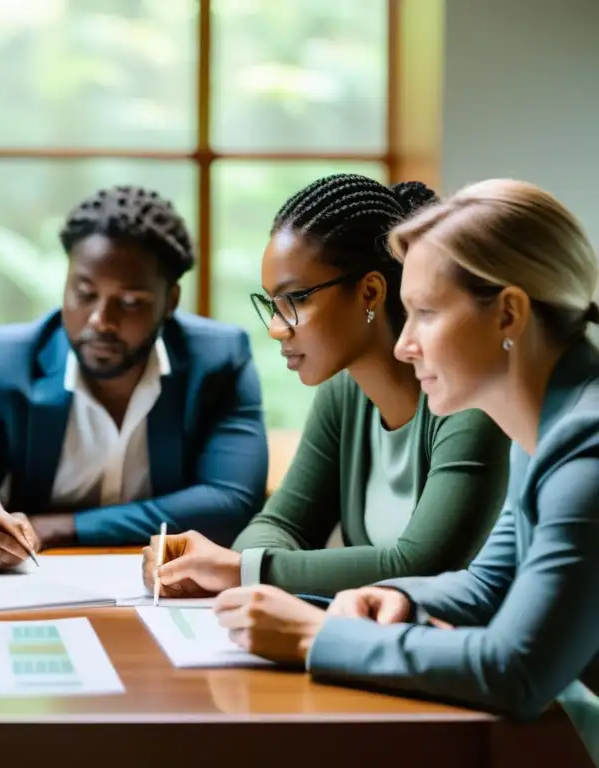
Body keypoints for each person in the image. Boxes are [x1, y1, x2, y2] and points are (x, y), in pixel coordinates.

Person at [210, 179, 599, 763]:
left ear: (509, 314)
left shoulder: (585, 449)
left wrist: (313, 636)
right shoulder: (545, 431)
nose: (404, 344)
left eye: (424, 313)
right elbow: (487, 584)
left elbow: (518, 670)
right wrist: (390, 598)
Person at [144, 174, 510, 600]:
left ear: (370, 292)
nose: (277, 329)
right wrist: (232, 569)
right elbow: (280, 525)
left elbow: (421, 565)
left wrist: (240, 569)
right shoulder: (344, 393)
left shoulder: (469, 400)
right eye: (271, 306)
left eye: (295, 300)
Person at [0, 185, 268, 570]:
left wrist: (59, 527)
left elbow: (228, 502)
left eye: (130, 302)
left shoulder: (217, 360)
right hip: (35, 584)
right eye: (84, 293)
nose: (101, 320)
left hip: (163, 585)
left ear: (170, 301)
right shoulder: (3, 362)